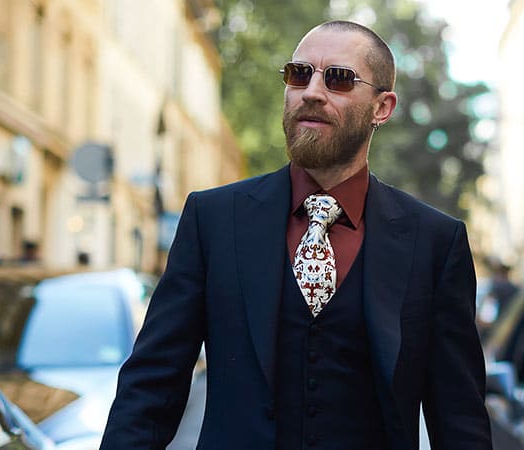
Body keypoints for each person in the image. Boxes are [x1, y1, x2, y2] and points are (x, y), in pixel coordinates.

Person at [101, 20, 491, 450]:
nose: (312, 91)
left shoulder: (435, 242)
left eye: (339, 79)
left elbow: (459, 421)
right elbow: (150, 391)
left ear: (383, 107)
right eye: (298, 74)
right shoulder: (213, 220)